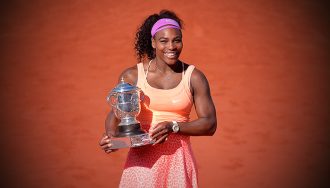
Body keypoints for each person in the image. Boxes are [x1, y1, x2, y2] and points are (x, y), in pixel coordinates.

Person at [99, 10, 217, 188]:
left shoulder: (194, 77)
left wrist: (174, 126)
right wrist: (112, 137)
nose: (171, 46)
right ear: (153, 42)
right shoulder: (132, 76)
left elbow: (210, 124)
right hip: (141, 166)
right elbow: (117, 114)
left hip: (178, 163)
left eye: (177, 40)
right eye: (164, 41)